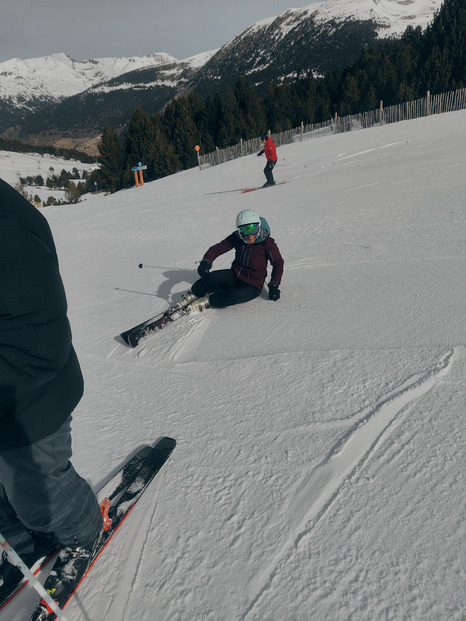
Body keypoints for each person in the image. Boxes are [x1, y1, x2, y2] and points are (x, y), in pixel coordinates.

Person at [0, 179, 102, 596]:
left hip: (30, 401)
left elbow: (39, 342)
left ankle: (82, 531)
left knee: (39, 494)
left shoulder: (7, 230)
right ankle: (26, 543)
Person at [178, 209, 284, 313]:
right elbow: (219, 247)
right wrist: (206, 261)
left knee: (232, 297)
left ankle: (209, 301)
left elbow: (278, 263)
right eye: (244, 230)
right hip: (234, 275)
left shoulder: (267, 243)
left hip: (252, 285)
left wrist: (274, 285)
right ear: (239, 230)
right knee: (212, 277)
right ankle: (194, 293)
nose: (249, 235)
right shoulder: (237, 237)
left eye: (253, 229)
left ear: (259, 226)